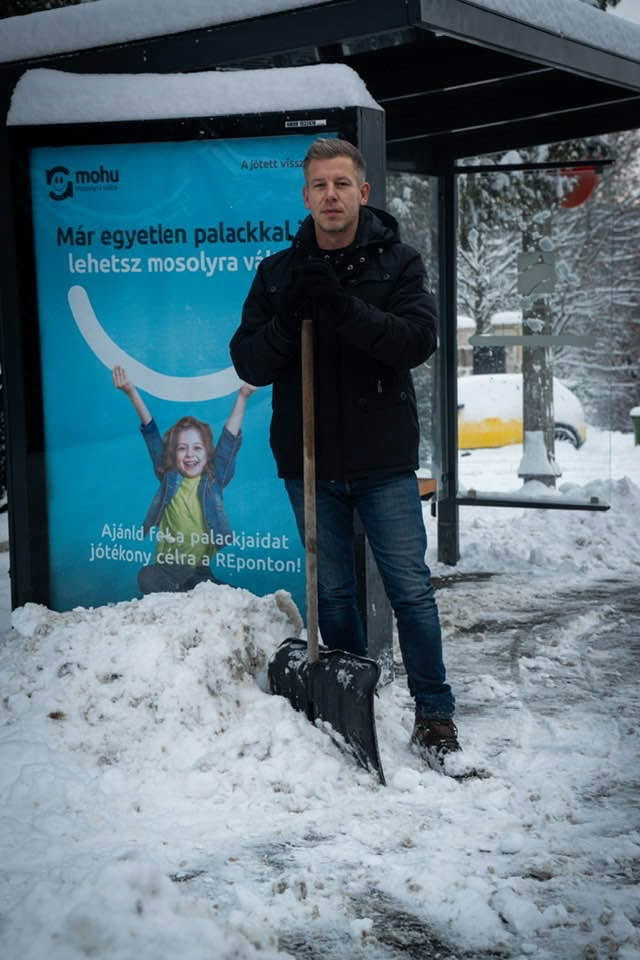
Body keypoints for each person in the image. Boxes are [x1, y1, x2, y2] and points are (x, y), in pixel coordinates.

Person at [229, 137, 459, 767]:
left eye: (341, 184)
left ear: (363, 191)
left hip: (383, 459)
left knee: (410, 590)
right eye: (319, 185)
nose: (330, 195)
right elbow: (249, 361)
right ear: (305, 196)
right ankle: (357, 698)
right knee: (332, 593)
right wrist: (290, 317)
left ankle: (435, 713)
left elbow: (415, 341)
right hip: (308, 460)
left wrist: (340, 308)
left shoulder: (399, 263)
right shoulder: (278, 274)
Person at [112, 365, 256, 594]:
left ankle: (192, 593)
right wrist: (131, 392)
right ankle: (177, 595)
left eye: (197, 447)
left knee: (230, 595)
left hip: (200, 571)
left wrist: (243, 396)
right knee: (146, 576)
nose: (190, 455)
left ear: (208, 453)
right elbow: (151, 433)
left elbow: (228, 441)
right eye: (182, 448)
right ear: (173, 454)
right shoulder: (169, 475)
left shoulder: (213, 479)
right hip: (166, 569)